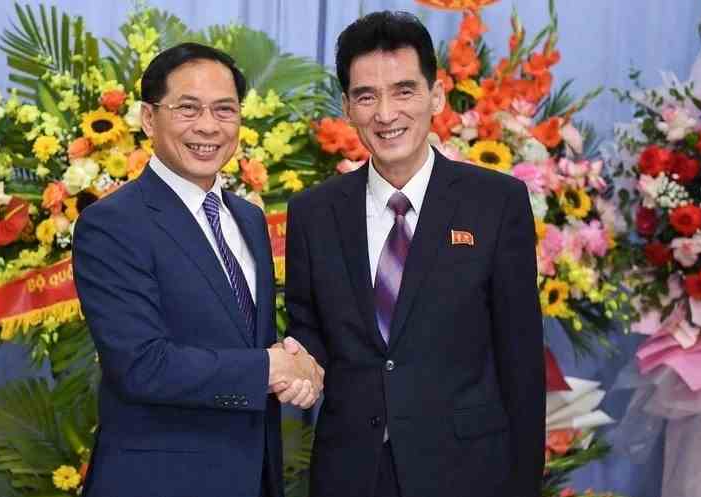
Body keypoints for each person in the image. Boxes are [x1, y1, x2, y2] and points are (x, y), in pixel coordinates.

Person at [285, 11, 545, 497]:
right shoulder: (313, 213)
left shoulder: (496, 203)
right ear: (347, 107)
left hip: (467, 472)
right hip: (351, 472)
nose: (385, 114)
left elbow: (521, 361)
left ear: (436, 96)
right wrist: (296, 363)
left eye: (404, 91)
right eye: (367, 96)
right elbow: (308, 329)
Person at [73, 42, 323, 497]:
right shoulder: (112, 223)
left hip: (254, 476)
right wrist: (268, 367)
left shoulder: (248, 218)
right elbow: (140, 365)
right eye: (188, 108)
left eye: (224, 109)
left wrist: (295, 360)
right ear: (149, 118)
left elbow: (245, 338)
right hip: (158, 482)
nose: (208, 125)